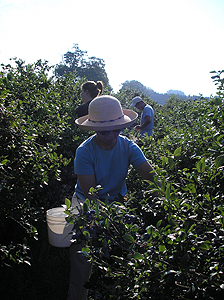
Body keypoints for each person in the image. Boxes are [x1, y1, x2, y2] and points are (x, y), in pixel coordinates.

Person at [68, 95, 160, 300]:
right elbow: (90, 194)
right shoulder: (84, 151)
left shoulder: (128, 147)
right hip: (85, 205)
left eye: (115, 129)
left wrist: (169, 198)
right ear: (94, 129)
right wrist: (103, 223)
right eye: (103, 131)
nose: (110, 135)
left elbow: (151, 176)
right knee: (83, 260)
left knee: (118, 260)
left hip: (116, 204)